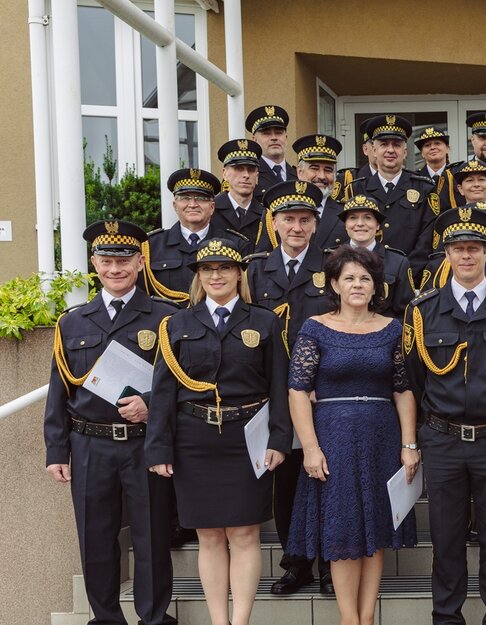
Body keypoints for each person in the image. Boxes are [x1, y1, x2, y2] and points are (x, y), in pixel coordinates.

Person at [146, 237, 291, 625]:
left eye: (224, 268)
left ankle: (240, 620)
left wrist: (280, 438)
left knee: (245, 534)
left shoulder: (264, 320)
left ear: (239, 274)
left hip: (247, 438)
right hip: (194, 437)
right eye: (207, 269)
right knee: (208, 535)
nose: (216, 276)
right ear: (198, 277)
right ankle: (218, 621)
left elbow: (279, 385)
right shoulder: (177, 324)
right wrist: (159, 448)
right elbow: (163, 392)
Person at [402, 206, 486, 625]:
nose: (466, 256)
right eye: (458, 249)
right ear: (446, 255)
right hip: (442, 440)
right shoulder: (422, 312)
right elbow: (414, 378)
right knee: (446, 537)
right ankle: (447, 616)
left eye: (474, 248)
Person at [45, 220, 177, 625]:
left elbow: (180, 384)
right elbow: (59, 389)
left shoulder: (167, 318)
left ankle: (153, 618)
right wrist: (56, 449)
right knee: (96, 539)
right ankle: (105, 619)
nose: (115, 269)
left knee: (151, 537)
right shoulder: (72, 321)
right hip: (89, 444)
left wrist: (150, 405)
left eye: (123, 260)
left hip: (145, 443)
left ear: (140, 262)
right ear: (94, 263)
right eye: (106, 261)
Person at [286, 246, 420, 625]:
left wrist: (409, 445)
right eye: (349, 278)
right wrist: (310, 448)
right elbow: (297, 389)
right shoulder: (315, 328)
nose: (358, 284)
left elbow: (403, 389)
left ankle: (367, 615)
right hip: (333, 438)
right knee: (343, 528)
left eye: (365, 278)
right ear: (334, 284)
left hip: (382, 436)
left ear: (376, 286)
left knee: (375, 528)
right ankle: (349, 619)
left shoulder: (393, 328)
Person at [246, 179, 335, 595]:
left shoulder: (333, 265)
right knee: (285, 480)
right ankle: (295, 562)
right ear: (275, 223)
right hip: (273, 394)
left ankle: (332, 565)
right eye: (289, 220)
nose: (296, 227)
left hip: (325, 394)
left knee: (328, 479)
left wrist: (319, 379)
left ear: (315, 225)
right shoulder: (254, 268)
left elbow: (344, 328)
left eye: (304, 220)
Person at [349, 114, 438, 279]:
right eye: (384, 144)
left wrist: (402, 272)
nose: (390, 150)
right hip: (363, 277)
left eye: (396, 145)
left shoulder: (425, 188)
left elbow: (428, 239)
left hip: (411, 279)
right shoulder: (357, 189)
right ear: (374, 151)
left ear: (405, 152)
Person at [142, 168, 250, 304]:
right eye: (185, 198)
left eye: (201, 198)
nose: (192, 204)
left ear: (212, 207)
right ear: (175, 206)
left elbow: (246, 293)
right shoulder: (152, 245)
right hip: (166, 321)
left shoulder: (236, 244)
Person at [337, 194, 416, 319]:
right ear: (345, 225)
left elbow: (406, 312)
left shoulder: (398, 262)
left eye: (368, 218)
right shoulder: (331, 259)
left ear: (378, 225)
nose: (360, 224)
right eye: (353, 218)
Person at [292, 133, 349, 252]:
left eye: (328, 170)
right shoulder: (280, 212)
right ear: (300, 172)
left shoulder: (347, 213)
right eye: (314, 168)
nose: (322, 176)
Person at [210, 139, 267, 248]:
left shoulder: (267, 215)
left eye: (251, 170)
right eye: (239, 169)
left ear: (257, 176)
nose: (246, 175)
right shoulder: (211, 211)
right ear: (225, 173)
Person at [247, 104, 295, 196]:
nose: (274, 138)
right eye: (266, 133)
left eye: (278, 133)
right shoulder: (249, 174)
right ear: (254, 140)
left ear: (286, 138)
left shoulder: (299, 175)